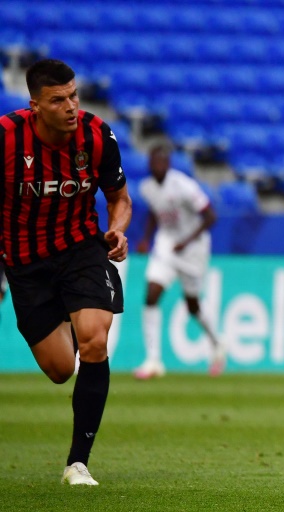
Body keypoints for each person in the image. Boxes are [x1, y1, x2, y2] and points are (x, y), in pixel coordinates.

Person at [0, 59, 131, 485]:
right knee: (59, 369)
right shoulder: (6, 138)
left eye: (73, 95)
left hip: (80, 249)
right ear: (35, 105)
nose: (71, 106)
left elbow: (119, 198)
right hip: (25, 262)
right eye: (58, 100)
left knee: (94, 340)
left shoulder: (97, 135)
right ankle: (68, 313)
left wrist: (117, 229)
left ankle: (78, 463)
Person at [133, 143, 225, 379]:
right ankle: (153, 360)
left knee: (193, 306)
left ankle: (217, 344)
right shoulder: (147, 187)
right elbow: (155, 212)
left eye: (161, 162)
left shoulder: (184, 185)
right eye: (153, 162)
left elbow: (210, 216)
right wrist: (146, 239)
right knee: (151, 294)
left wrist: (186, 241)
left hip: (193, 249)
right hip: (166, 245)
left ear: (168, 164)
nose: (157, 166)